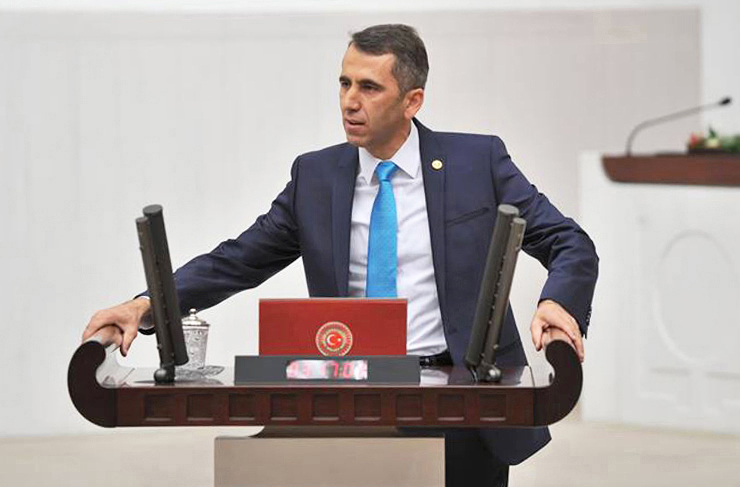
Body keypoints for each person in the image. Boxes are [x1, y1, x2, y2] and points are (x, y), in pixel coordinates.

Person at [83, 24, 598, 487]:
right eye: (344, 83)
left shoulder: (476, 163)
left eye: (369, 87)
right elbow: (237, 260)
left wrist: (558, 303)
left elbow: (569, 242)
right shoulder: (316, 176)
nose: (350, 101)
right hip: (352, 398)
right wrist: (144, 306)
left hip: (458, 398)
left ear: (412, 100)